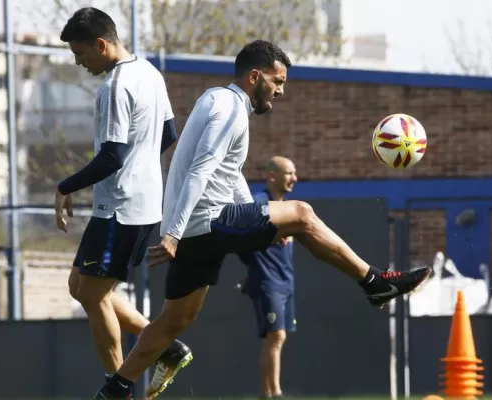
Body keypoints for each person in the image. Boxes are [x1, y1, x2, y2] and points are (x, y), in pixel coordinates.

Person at [94, 39, 432, 400]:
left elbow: (229, 173)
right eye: (278, 81)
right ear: (255, 76)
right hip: (207, 222)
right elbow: (200, 170)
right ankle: (374, 281)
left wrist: (267, 226)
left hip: (197, 229)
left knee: (174, 320)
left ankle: (115, 390)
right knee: (303, 213)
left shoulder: (215, 100)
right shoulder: (230, 108)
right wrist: (173, 233)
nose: (281, 91)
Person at [54, 7, 193, 398]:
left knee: (93, 294)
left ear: (101, 44)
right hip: (137, 202)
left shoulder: (115, 86)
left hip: (121, 206)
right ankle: (167, 347)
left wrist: (65, 186)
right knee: (79, 285)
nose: (78, 62)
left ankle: (119, 387)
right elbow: (168, 134)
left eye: (80, 53)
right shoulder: (149, 72)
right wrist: (144, 167)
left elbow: (112, 156)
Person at [236, 156, 298, 400]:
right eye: (289, 173)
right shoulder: (261, 202)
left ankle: (267, 394)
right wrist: (254, 272)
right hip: (268, 282)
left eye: (294, 173)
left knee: (278, 339)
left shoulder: (288, 207)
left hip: (286, 283)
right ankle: (275, 394)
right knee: (276, 335)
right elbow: (244, 230)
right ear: (272, 175)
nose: (294, 178)